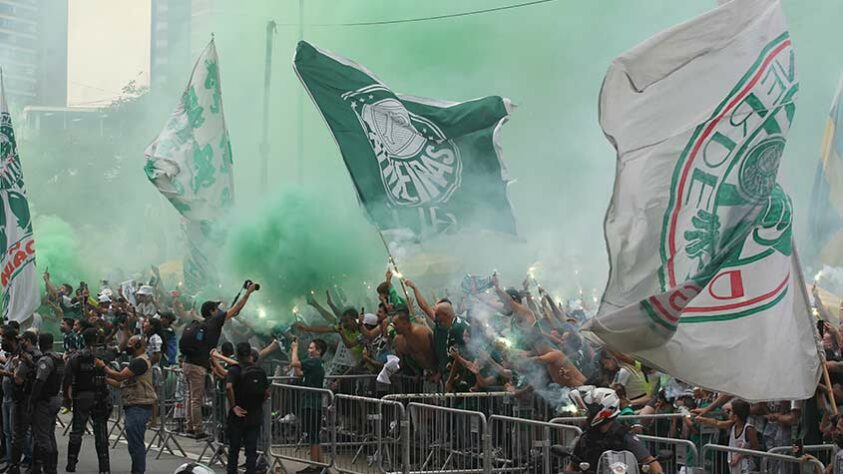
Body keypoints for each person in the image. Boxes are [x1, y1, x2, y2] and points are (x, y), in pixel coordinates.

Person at [181, 282, 257, 438]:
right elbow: (235, 310)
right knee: (196, 398)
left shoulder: (202, 323)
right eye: (217, 308)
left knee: (190, 396)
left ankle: (190, 426)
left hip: (187, 363)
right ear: (212, 311)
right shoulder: (214, 321)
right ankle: (198, 430)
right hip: (197, 365)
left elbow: (233, 312)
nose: (220, 310)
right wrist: (248, 293)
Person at [97, 335, 157, 474]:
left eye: (131, 343)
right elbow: (120, 384)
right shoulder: (136, 361)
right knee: (134, 444)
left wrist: (103, 366)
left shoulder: (140, 362)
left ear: (139, 345)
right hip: (133, 405)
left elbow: (119, 376)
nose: (127, 346)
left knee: (136, 445)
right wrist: (104, 380)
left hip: (139, 406)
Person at [567, 388, 663, 473]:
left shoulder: (623, 435)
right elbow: (571, 467)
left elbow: (650, 462)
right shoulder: (586, 437)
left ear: (607, 410)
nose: (588, 415)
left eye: (590, 411)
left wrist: (655, 469)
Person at [62, 328, 111, 473]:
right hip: (101, 396)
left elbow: (67, 379)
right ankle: (104, 468)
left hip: (82, 397)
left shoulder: (77, 357)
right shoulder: (104, 356)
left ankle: (71, 464)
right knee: (101, 433)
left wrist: (67, 398)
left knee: (77, 431)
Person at [225, 342, 269, 474]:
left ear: (237, 354)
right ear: (250, 354)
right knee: (251, 450)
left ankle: (232, 471)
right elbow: (266, 392)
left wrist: (234, 406)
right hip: (254, 414)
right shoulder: (259, 371)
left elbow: (228, 387)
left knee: (234, 449)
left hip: (238, 415)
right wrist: (258, 403)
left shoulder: (234, 370)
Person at [290, 338, 327, 474]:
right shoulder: (314, 363)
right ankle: (321, 465)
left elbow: (295, 363)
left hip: (312, 403)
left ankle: (314, 467)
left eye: (312, 348)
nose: (309, 350)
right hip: (310, 402)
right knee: (314, 435)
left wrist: (294, 349)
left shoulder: (315, 361)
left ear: (319, 351)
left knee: (312, 435)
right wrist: (292, 353)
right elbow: (298, 373)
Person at [29, 333, 63, 474]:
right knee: (49, 434)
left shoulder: (45, 360)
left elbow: (39, 381)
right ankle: (50, 466)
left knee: (43, 437)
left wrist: (32, 400)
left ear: (40, 343)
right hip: (55, 399)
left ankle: (49, 469)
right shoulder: (59, 359)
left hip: (45, 401)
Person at [7, 331, 40, 474]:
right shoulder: (38, 356)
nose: (20, 344)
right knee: (31, 433)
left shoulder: (27, 358)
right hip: (30, 399)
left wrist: (15, 367)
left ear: (28, 341)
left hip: (22, 398)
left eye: (23, 341)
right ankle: (34, 464)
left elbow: (18, 379)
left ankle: (17, 465)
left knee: (19, 433)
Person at [697, 399, 759, 474]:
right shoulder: (732, 424)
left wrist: (740, 456)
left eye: (730, 411)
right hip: (733, 464)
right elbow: (718, 423)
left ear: (736, 416)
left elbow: (755, 447)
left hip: (745, 466)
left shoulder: (749, 429)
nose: (728, 413)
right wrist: (702, 419)